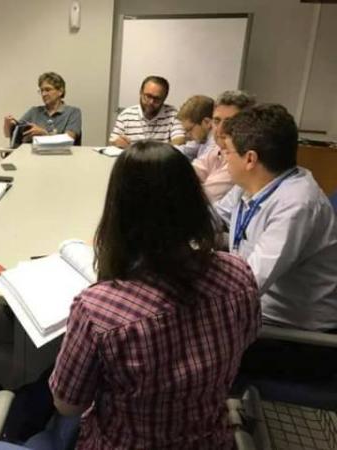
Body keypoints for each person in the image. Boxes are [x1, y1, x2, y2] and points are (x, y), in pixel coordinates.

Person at [49, 141, 260, 449]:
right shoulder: (239, 275)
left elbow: (68, 406)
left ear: (119, 210)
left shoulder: (97, 309)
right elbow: (248, 338)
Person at [215, 104, 337, 380]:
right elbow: (211, 218)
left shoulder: (297, 204)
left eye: (227, 152)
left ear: (250, 158)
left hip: (295, 338)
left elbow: (247, 287)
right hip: (260, 317)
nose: (224, 159)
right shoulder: (254, 184)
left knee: (182, 347)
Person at [192, 90, 256, 202]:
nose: (220, 129)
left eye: (229, 122)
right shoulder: (217, 149)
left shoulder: (243, 158)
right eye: (217, 121)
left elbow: (203, 198)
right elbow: (186, 174)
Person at [3, 72, 82, 144]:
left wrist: (44, 134)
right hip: (33, 156)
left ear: (60, 91)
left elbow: (69, 138)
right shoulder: (34, 111)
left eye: (48, 90)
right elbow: (9, 135)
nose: (43, 94)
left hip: (61, 157)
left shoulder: (73, 112)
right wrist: (8, 124)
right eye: (41, 90)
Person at [109, 75, 185, 148]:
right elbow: (113, 141)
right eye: (148, 96)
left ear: (164, 98)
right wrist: (117, 142)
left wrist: (155, 154)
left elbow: (179, 141)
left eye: (157, 98)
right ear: (141, 93)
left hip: (161, 160)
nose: (151, 102)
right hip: (132, 159)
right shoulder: (125, 115)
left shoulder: (173, 115)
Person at [176, 94, 216, 161]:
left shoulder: (214, 145)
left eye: (190, 129)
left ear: (207, 122)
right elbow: (186, 150)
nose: (187, 136)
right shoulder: (202, 137)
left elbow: (200, 167)